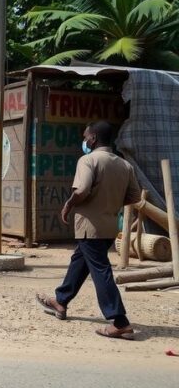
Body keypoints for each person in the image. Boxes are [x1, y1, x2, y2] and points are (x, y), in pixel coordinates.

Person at [36, 120, 141, 340]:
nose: (84, 141)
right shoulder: (125, 165)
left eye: (85, 137)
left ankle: (119, 321)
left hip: (89, 226)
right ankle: (61, 301)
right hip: (109, 226)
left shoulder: (88, 160)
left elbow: (82, 189)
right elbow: (134, 197)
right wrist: (109, 202)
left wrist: (69, 204)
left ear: (93, 138)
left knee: (100, 271)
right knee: (80, 261)